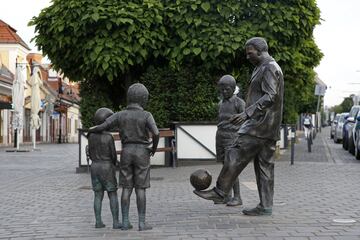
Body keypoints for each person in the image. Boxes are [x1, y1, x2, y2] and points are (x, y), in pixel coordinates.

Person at [194, 37, 284, 216]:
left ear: (260, 50)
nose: (247, 56)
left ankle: (220, 192)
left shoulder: (269, 67)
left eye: (249, 53)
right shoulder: (263, 67)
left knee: (234, 152)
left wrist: (246, 113)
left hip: (258, 125)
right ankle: (265, 206)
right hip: (268, 127)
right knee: (264, 167)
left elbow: (271, 96)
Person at [89, 83, 159, 231]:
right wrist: (153, 148)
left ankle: (125, 222)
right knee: (141, 188)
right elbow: (156, 133)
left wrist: (92, 129)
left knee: (126, 188)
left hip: (127, 152)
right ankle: (141, 223)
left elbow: (103, 125)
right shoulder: (147, 115)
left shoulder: (120, 114)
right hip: (142, 153)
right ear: (143, 99)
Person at [87, 107, 122, 229]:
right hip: (106, 167)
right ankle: (116, 222)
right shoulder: (108, 137)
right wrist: (116, 163)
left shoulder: (91, 136)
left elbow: (90, 154)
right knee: (112, 194)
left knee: (98, 195)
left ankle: (98, 221)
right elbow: (113, 155)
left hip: (95, 166)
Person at [215, 75, 245, 206]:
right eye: (221, 89)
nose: (224, 92)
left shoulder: (239, 103)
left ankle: (237, 197)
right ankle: (227, 195)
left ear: (233, 88)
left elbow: (246, 121)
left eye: (226, 89)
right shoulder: (220, 103)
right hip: (220, 136)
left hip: (232, 137)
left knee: (231, 167)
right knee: (224, 166)